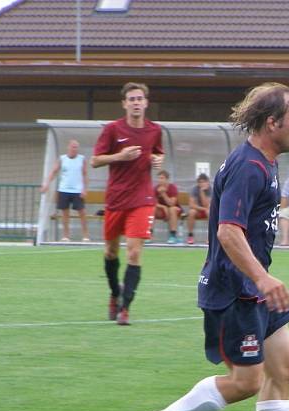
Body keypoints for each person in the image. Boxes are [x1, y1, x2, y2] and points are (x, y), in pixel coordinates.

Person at [135, 82, 289, 411]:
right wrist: (263, 277)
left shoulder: (266, 161)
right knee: (247, 381)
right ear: (273, 123)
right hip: (232, 290)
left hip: (254, 288)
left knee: (284, 368)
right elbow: (229, 233)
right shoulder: (249, 168)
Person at [91, 82, 163, 326]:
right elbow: (95, 161)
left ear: (146, 103)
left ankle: (125, 308)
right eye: (131, 99)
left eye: (139, 98)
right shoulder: (112, 130)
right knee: (111, 251)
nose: (135, 102)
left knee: (134, 252)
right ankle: (114, 293)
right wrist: (119, 156)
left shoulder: (154, 130)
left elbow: (158, 153)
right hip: (116, 199)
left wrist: (157, 160)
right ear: (124, 103)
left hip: (142, 199)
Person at [40, 139, 90, 242]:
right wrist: (46, 184)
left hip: (77, 190)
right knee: (65, 214)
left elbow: (85, 174)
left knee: (82, 213)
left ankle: (85, 235)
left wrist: (84, 189)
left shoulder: (82, 159)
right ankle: (66, 236)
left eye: (76, 147)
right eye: (73, 146)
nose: (74, 149)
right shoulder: (62, 159)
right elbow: (54, 172)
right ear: (68, 147)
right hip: (64, 189)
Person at [154, 170, 183, 244]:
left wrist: (163, 194)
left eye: (162, 178)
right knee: (152, 209)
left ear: (167, 179)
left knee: (172, 209)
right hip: (162, 210)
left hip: (175, 209)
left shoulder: (172, 187)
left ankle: (173, 235)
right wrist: (164, 207)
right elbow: (153, 203)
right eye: (159, 178)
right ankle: (149, 234)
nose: (160, 180)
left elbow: (172, 204)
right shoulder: (156, 188)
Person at [186, 173, 211, 245]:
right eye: (200, 182)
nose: (202, 184)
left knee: (209, 212)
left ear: (207, 182)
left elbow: (207, 205)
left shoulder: (210, 189)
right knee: (191, 212)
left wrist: (202, 192)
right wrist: (203, 209)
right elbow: (191, 205)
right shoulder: (195, 189)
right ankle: (190, 235)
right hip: (198, 210)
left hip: (206, 210)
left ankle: (210, 236)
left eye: (204, 182)